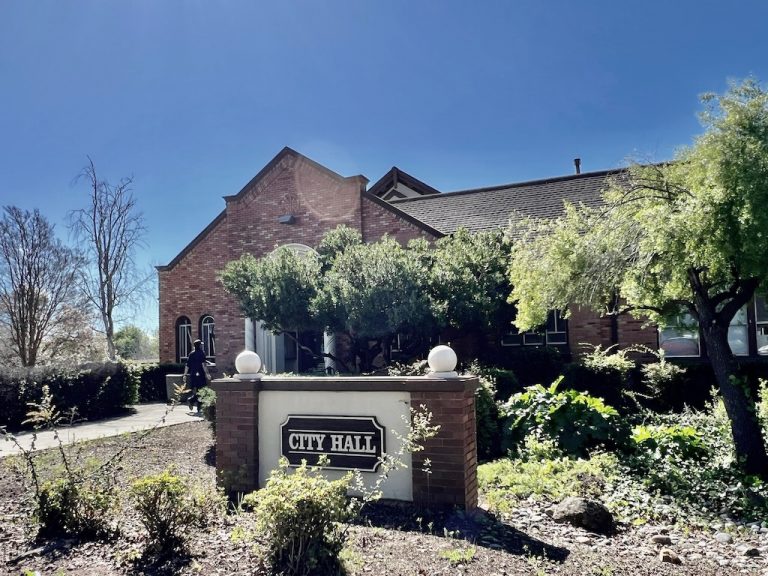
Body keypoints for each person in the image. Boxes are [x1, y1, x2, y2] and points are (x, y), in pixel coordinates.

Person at [183, 339, 211, 413]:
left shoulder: (191, 354)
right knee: (202, 391)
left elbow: (187, 365)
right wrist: (207, 374)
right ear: (199, 345)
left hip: (193, 375)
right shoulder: (202, 353)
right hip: (200, 375)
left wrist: (185, 374)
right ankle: (193, 402)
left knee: (198, 391)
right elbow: (203, 365)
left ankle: (195, 404)